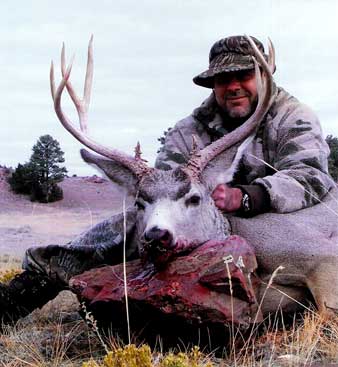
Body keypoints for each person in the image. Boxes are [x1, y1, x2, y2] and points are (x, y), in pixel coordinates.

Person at [0, 35, 337, 324]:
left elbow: (310, 176)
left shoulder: (293, 116)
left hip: (282, 216)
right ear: (213, 85)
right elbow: (162, 189)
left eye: (244, 75)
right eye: (223, 79)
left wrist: (247, 196)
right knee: (138, 223)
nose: (233, 86)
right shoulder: (189, 129)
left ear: (264, 75)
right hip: (203, 221)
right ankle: (23, 293)